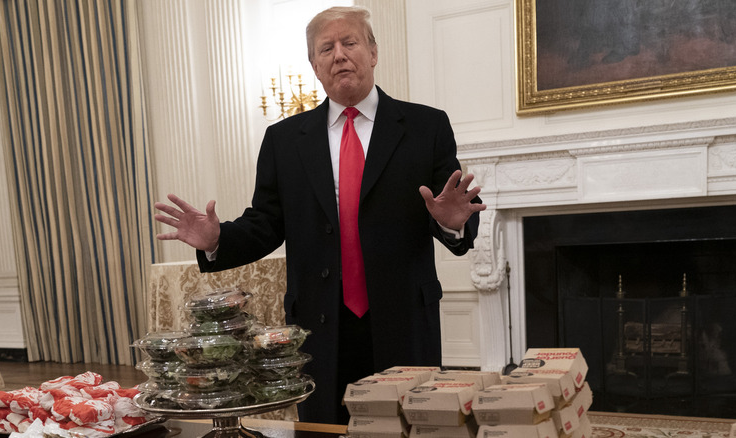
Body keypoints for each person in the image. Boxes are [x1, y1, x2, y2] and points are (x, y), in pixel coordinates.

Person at [154, 6, 487, 425]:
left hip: (402, 317)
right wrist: (217, 238)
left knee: (409, 426)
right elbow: (266, 222)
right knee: (324, 427)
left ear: (373, 51)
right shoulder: (284, 140)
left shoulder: (425, 126)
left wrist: (452, 221)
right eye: (325, 48)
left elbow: (452, 203)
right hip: (319, 324)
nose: (339, 55)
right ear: (314, 65)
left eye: (349, 43)